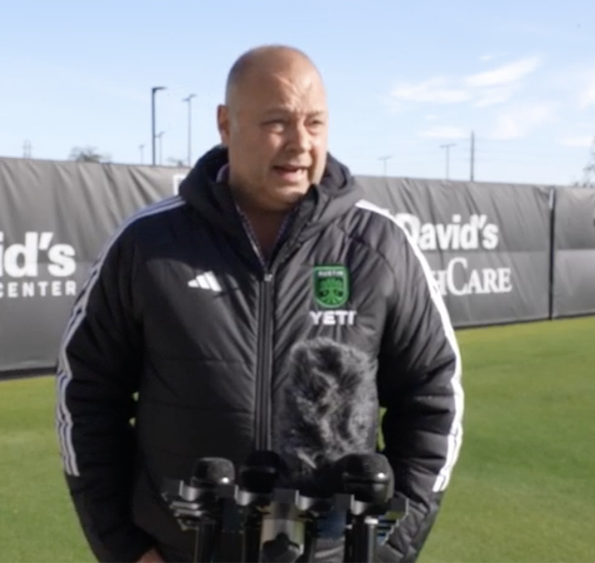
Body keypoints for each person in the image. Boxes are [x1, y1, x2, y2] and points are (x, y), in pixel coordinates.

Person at [55, 45, 464, 563]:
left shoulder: (380, 246)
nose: (300, 143)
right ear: (226, 125)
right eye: (277, 122)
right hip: (183, 551)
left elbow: (434, 398)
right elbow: (85, 393)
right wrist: (125, 548)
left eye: (315, 123)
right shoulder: (148, 244)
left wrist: (390, 549)